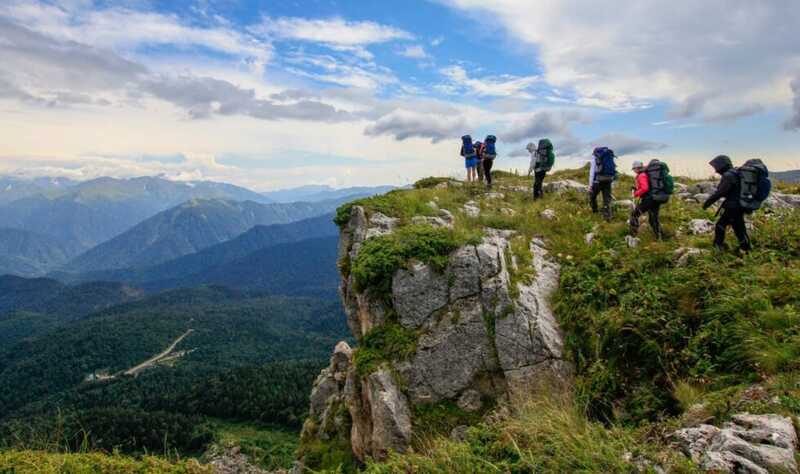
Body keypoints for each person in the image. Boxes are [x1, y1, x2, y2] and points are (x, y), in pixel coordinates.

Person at [702, 155, 751, 252]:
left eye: (716, 167)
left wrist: (707, 203)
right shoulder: (736, 173)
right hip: (740, 205)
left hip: (733, 206)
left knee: (721, 225)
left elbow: (721, 192)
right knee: (738, 227)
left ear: (722, 165)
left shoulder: (728, 175)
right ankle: (746, 248)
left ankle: (718, 247)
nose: (716, 170)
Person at [629, 160, 663, 239]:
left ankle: (633, 235)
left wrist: (635, 193)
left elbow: (645, 188)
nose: (634, 171)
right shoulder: (647, 174)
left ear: (637, 168)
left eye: (634, 169)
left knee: (634, 214)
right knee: (653, 219)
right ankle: (660, 236)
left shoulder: (641, 175)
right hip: (656, 198)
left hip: (649, 199)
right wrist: (637, 189)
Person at [589, 147, 616, 221]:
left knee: (592, 196)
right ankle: (607, 217)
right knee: (607, 200)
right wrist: (612, 183)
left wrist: (590, 185)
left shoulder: (595, 158)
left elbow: (592, 172)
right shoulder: (609, 156)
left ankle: (595, 212)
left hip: (598, 181)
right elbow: (613, 170)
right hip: (608, 180)